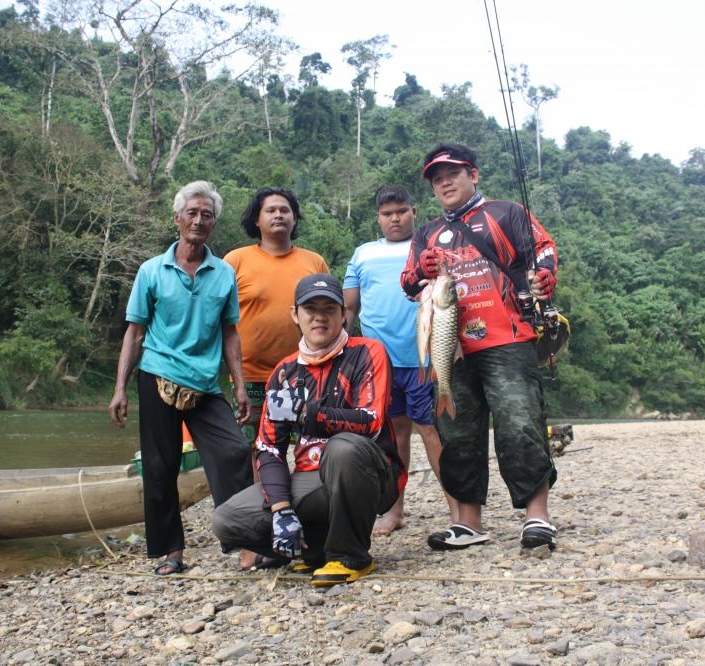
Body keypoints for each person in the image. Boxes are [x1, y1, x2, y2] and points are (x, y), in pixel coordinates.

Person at [400, 143, 560, 551]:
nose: (445, 183)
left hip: (506, 337)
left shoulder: (506, 213)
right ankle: (468, 522)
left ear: (473, 175)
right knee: (457, 432)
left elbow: (542, 251)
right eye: (437, 180)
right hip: (451, 346)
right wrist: (422, 270)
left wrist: (543, 277)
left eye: (452, 173)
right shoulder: (426, 234)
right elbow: (408, 284)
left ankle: (536, 517)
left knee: (521, 423)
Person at [212, 273, 404, 586]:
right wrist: (281, 509)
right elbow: (269, 447)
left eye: (329, 309)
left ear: (344, 315)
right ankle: (314, 550)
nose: (319, 317)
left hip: (368, 473)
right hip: (310, 480)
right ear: (295, 315)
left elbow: (370, 421)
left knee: (342, 448)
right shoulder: (285, 372)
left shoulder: (368, 352)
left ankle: (351, 556)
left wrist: (308, 413)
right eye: (310, 308)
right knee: (227, 520)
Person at [109, 181, 254, 576]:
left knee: (234, 453)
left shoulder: (223, 274)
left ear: (214, 223)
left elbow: (229, 333)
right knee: (160, 466)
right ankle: (170, 551)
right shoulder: (151, 271)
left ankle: (245, 542)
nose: (199, 220)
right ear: (177, 219)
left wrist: (239, 384)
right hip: (156, 376)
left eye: (207, 215)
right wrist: (120, 388)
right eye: (192, 212)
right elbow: (134, 332)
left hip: (206, 383)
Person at [344, 185, 458, 536]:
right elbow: (349, 308)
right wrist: (342, 357)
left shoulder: (430, 249)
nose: (394, 218)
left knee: (431, 432)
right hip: (378, 364)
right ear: (378, 217)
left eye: (401, 211)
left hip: (425, 360)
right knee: (395, 437)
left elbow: (453, 301)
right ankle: (394, 511)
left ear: (414, 211)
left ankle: (458, 512)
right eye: (387, 213)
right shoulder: (362, 254)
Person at [223, 188, 329, 450]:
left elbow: (331, 315)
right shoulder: (235, 261)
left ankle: (299, 491)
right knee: (253, 447)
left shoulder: (314, 262)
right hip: (249, 377)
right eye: (270, 210)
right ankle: (263, 492)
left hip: (300, 373)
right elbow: (217, 319)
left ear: (294, 219)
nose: (278, 215)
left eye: (285, 210)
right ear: (256, 220)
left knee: (303, 444)